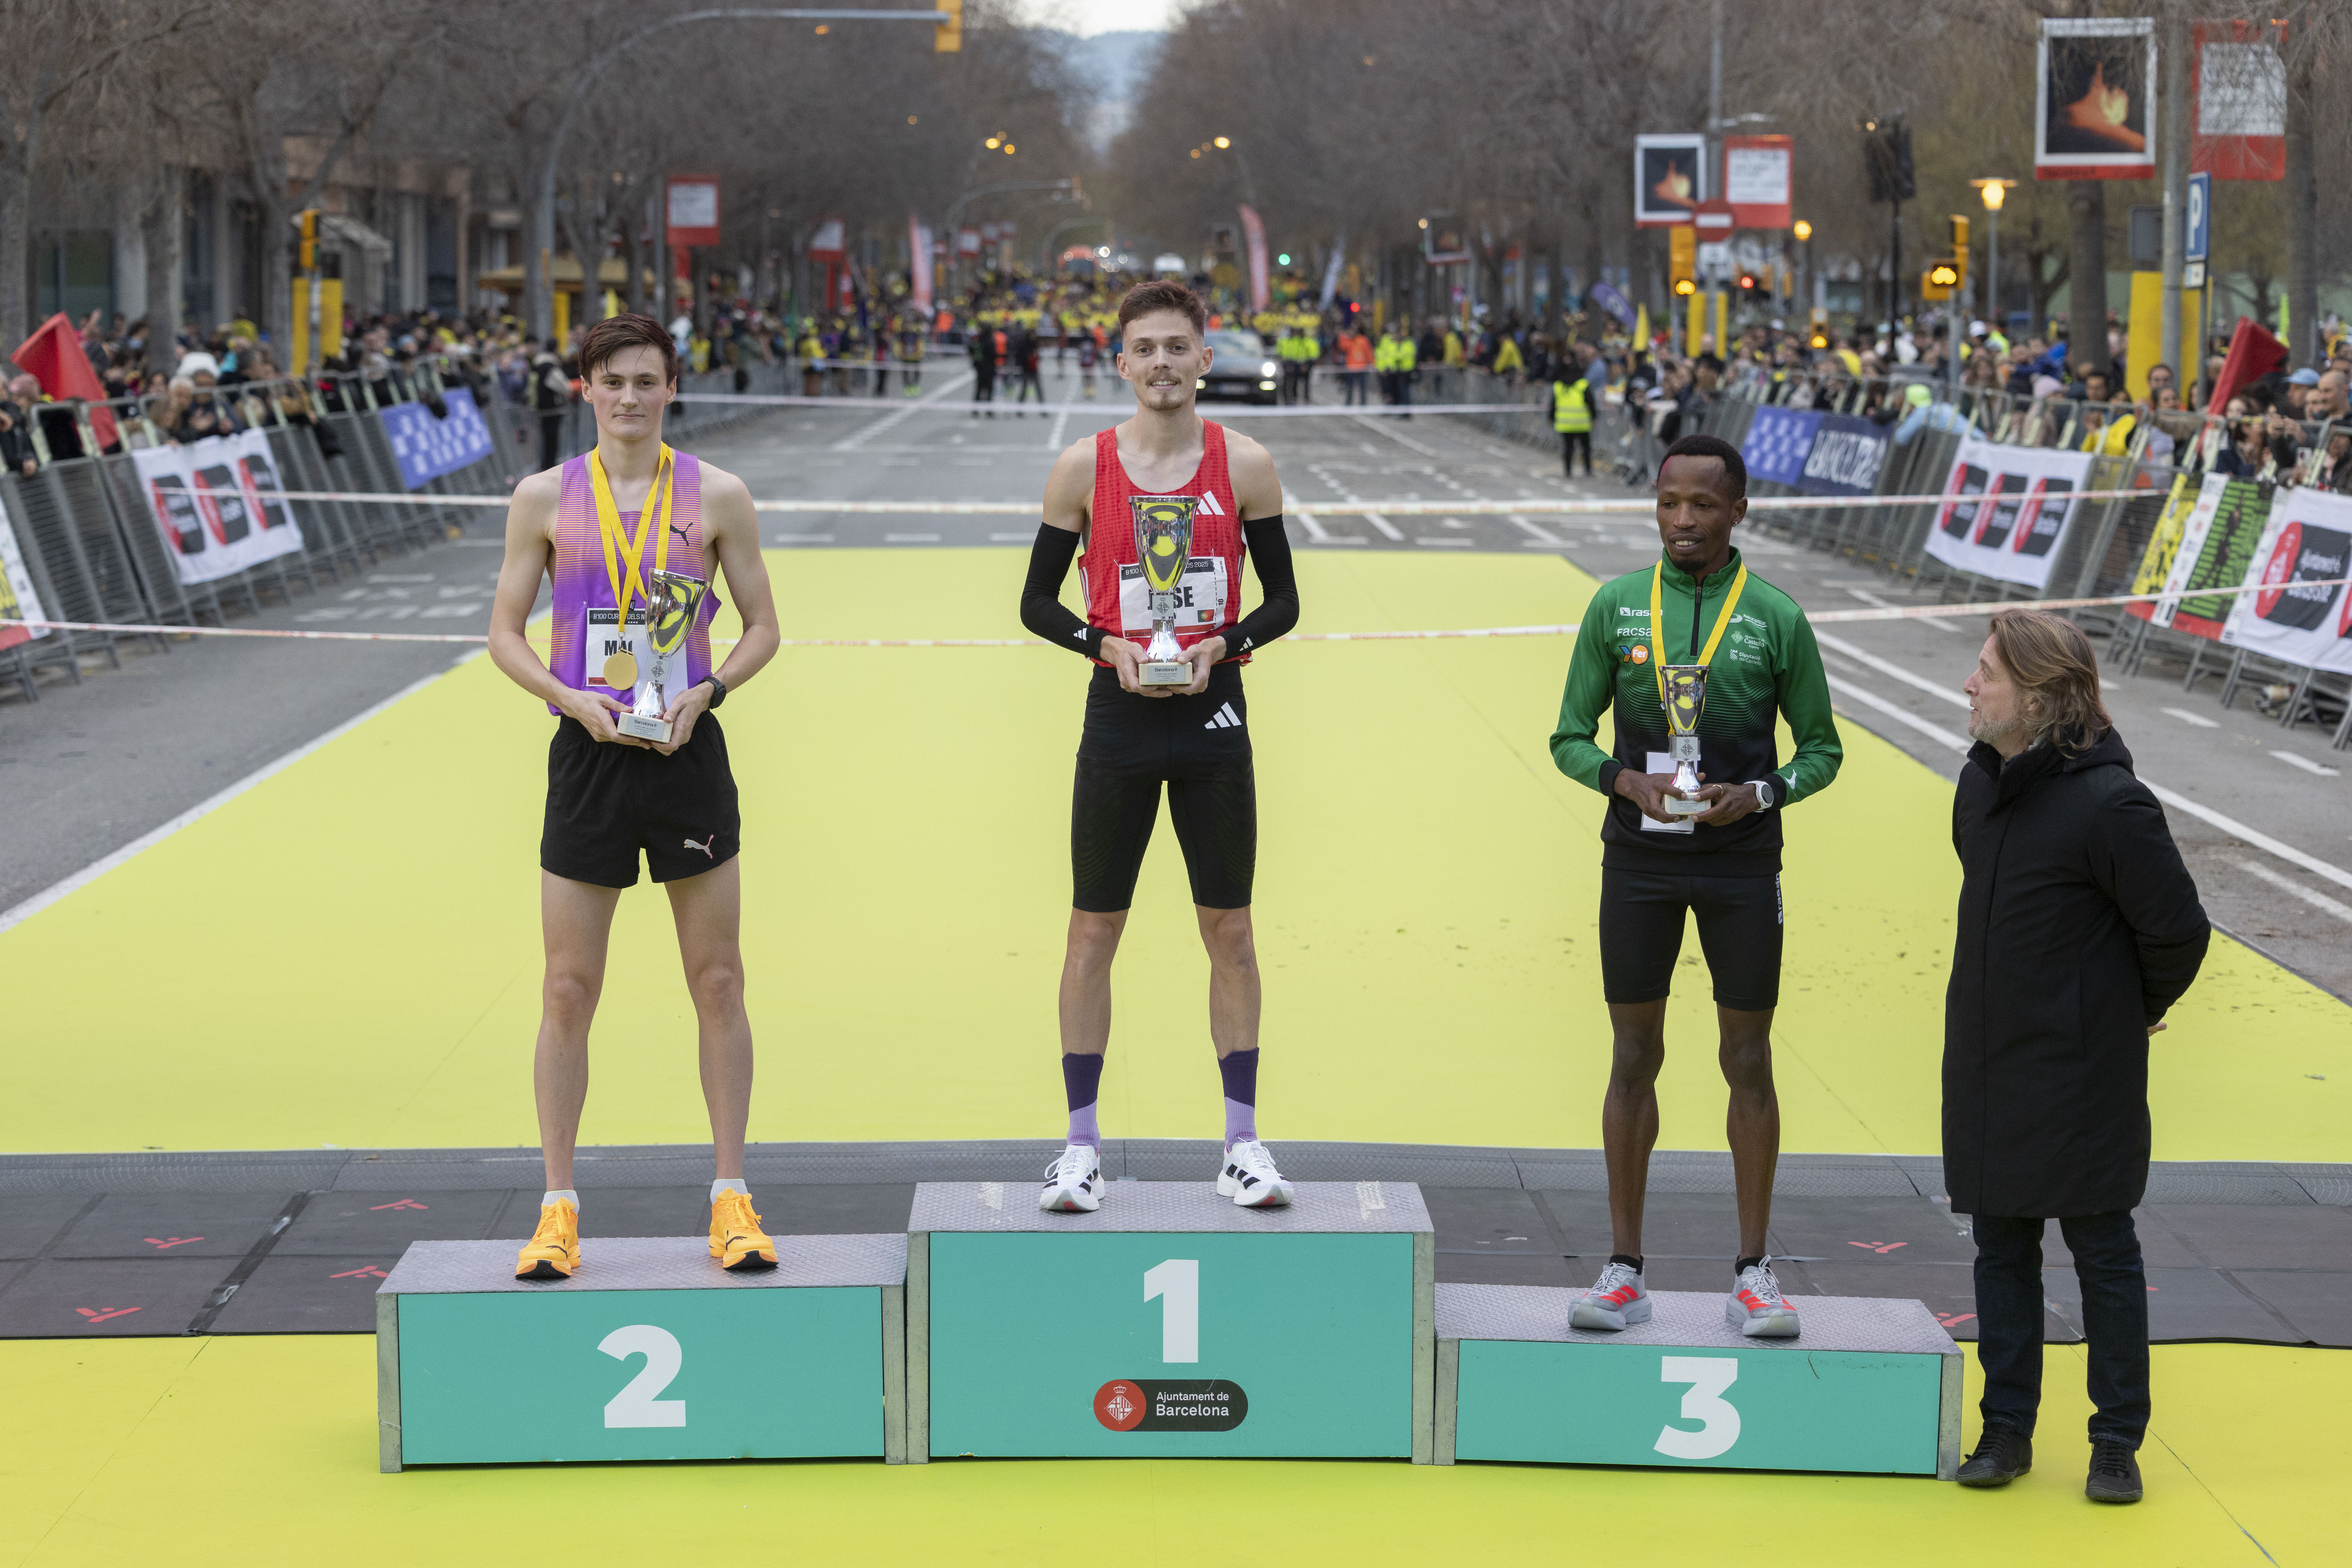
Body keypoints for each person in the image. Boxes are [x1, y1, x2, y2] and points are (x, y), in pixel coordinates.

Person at [485, 312, 784, 1283]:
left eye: (646, 381)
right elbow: (504, 633)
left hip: (685, 748)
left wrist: (711, 690)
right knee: (567, 989)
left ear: (670, 389)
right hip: (589, 755)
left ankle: (731, 1197)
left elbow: (763, 626)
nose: (628, 397)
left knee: (719, 980)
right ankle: (557, 1208)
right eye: (612, 380)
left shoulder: (719, 495)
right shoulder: (542, 497)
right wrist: (568, 697)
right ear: (586, 388)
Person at [1548, 433, 1843, 1340]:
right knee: (1633, 1055)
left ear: (1738, 511)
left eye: (1703, 506)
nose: (1682, 521)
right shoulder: (1615, 607)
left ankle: (1754, 1273)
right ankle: (1623, 1271)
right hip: (1638, 862)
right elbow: (1567, 738)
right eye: (1669, 503)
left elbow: (1822, 750)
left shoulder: (1776, 618)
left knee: (1746, 1059)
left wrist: (1760, 793)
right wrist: (1621, 782)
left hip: (1741, 864)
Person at [1018, 279, 1302, 1213]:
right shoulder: (1082, 468)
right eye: (1145, 348)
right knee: (1091, 930)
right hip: (1120, 716)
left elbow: (1284, 603)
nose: (1162, 363)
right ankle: (1079, 1149)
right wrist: (1103, 646)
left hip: (1214, 714)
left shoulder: (1246, 464)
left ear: (1204, 359)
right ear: (1122, 363)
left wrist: (1226, 644)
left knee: (1231, 930)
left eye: (1177, 346)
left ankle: (1242, 1144)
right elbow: (1036, 604)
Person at [1946, 610, 2208, 1505]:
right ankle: (2005, 1430)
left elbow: (2178, 931)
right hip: (1987, 1059)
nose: (1970, 684)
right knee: (2000, 1244)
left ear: (2039, 696)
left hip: (2084, 1068)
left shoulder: (2111, 804)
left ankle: (2115, 1442)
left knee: (2102, 1247)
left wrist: (2131, 1010)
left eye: (1987, 672)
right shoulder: (1977, 785)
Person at [1550, 355, 1594, 477]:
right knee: (1586, 448)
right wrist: (1594, 417)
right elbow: (1591, 402)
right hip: (1582, 423)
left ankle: (1568, 471)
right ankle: (1588, 470)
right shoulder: (1583, 384)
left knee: (1568, 448)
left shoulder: (1559, 386)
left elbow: (1553, 404)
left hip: (1565, 424)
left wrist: (1551, 418)